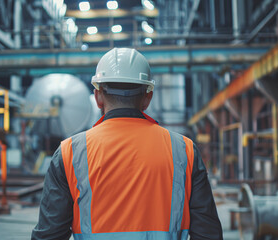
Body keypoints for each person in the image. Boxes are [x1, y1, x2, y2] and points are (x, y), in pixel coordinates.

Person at [31, 48, 222, 240]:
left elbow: (48, 236)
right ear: (148, 98)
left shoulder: (70, 153)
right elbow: (208, 234)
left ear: (98, 97)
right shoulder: (184, 151)